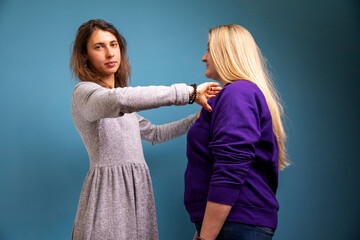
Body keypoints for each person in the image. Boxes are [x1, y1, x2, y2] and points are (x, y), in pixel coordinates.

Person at [69, 19, 221, 240]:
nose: (110, 53)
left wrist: (196, 118)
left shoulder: (124, 100)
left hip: (138, 192)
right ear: (85, 56)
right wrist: (189, 92)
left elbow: (155, 134)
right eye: (98, 47)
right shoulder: (85, 94)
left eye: (113, 44)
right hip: (108, 195)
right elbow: (120, 100)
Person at [184, 24, 290, 240]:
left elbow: (230, 168)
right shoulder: (233, 95)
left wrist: (206, 237)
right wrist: (201, 233)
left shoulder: (238, 93)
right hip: (229, 223)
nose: (204, 57)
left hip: (236, 224)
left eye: (209, 50)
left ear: (226, 53)